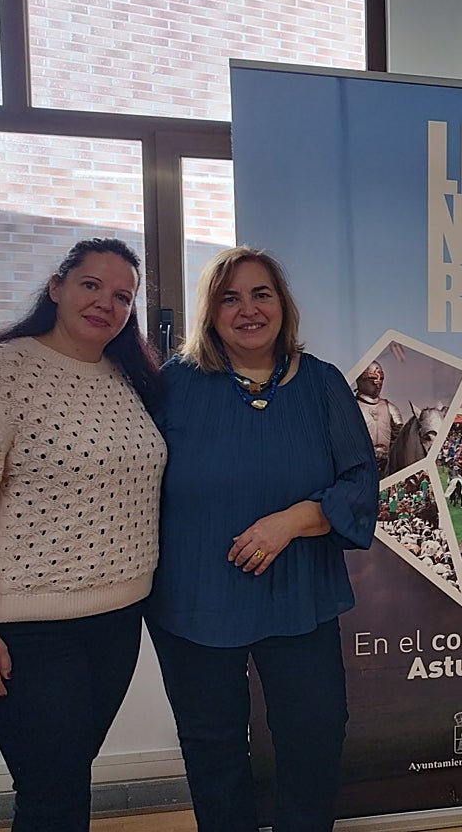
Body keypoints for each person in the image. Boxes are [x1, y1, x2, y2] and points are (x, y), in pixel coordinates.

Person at [0, 238, 165, 831]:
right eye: (91, 285)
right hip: (25, 631)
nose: (105, 304)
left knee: (64, 780)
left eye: (122, 296)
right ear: (57, 287)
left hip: (117, 620)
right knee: (52, 792)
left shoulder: (128, 378)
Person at [146, 246, 377, 832]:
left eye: (260, 294)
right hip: (195, 598)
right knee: (214, 747)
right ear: (211, 311)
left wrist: (297, 519)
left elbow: (360, 481)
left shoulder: (322, 383)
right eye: (230, 298)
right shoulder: (173, 383)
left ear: (283, 305)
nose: (247, 310)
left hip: (299, 596)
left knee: (315, 737)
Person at [354, 360, 403, 476]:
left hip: (387, 465)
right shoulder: (352, 408)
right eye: (373, 378)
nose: (378, 383)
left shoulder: (390, 408)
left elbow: (399, 439)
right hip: (361, 465)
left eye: (381, 379)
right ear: (361, 379)